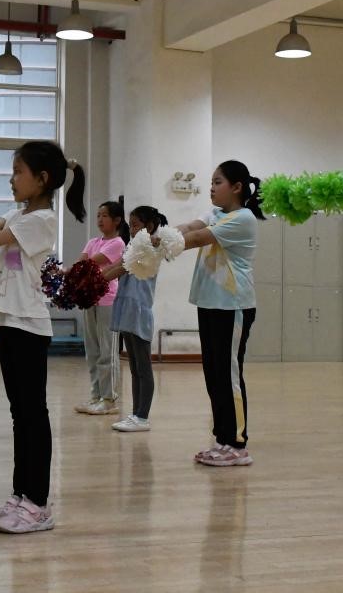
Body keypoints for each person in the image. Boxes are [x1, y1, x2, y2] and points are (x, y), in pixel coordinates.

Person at [0, 140, 86, 534]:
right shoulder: (19, 214)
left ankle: (38, 503)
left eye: (18, 172)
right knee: (20, 414)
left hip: (28, 324)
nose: (11, 179)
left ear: (43, 178)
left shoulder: (41, 220)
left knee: (33, 414)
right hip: (8, 318)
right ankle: (20, 496)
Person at [175, 160, 263, 467]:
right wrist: (161, 234)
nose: (211, 188)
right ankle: (222, 439)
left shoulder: (243, 218)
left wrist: (162, 244)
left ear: (236, 187)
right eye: (211, 182)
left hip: (232, 305)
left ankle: (237, 445)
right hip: (209, 302)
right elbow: (190, 228)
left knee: (229, 374)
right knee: (213, 374)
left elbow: (197, 239)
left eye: (217, 182)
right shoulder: (214, 213)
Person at [103, 205, 168, 432]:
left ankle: (142, 416)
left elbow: (120, 268)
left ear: (149, 226)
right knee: (133, 367)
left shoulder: (150, 246)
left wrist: (93, 280)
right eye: (130, 226)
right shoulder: (133, 245)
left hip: (139, 309)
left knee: (143, 367)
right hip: (126, 307)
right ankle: (135, 414)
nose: (131, 230)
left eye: (135, 225)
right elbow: (116, 266)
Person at [74, 201, 128, 415]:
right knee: (93, 351)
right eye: (98, 215)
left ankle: (109, 399)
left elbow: (89, 264)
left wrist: (76, 268)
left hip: (108, 301)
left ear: (117, 220)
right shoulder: (93, 242)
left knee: (107, 352)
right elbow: (81, 263)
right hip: (89, 299)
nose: (99, 219)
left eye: (104, 215)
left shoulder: (117, 243)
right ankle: (96, 396)